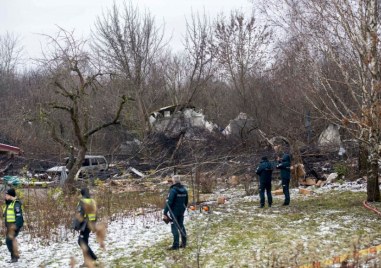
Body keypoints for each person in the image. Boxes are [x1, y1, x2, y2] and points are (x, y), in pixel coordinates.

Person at [163, 175, 188, 250]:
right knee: (181, 226)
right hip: (181, 211)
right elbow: (186, 202)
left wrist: (165, 212)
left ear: (174, 181)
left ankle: (175, 245)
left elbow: (169, 202)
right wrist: (183, 210)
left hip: (173, 212)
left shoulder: (173, 190)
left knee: (174, 227)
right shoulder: (184, 190)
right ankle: (183, 243)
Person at [74, 188, 97, 267]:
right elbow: (95, 214)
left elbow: (79, 215)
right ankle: (90, 259)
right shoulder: (92, 201)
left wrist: (77, 226)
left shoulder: (82, 202)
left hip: (84, 225)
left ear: (82, 194)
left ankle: (90, 258)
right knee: (84, 242)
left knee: (82, 242)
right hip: (90, 225)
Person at [2, 188, 24, 263]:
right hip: (9, 226)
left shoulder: (16, 204)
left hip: (14, 226)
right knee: (12, 240)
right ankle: (16, 255)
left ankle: (14, 257)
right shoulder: (8, 204)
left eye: (7, 195)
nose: (5, 196)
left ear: (11, 196)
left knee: (8, 241)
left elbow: (19, 217)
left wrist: (15, 226)